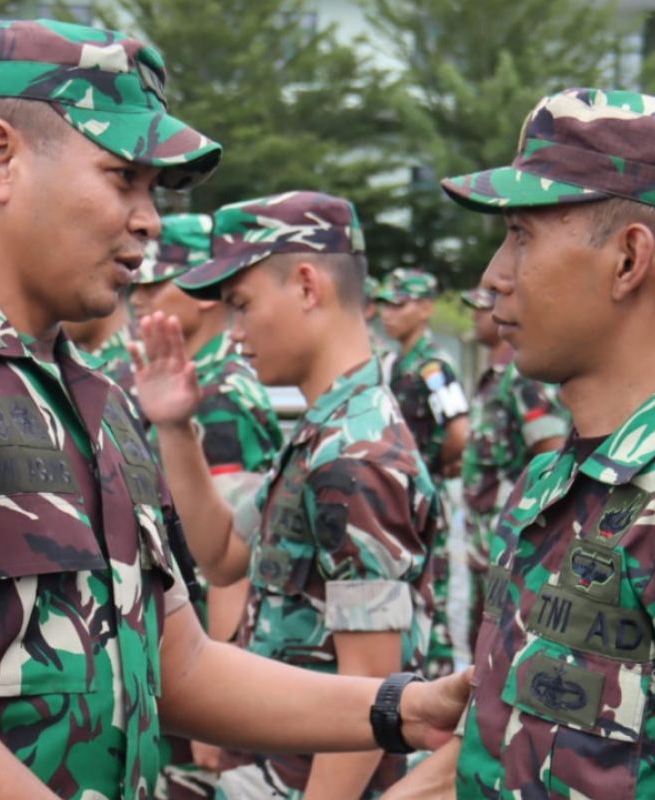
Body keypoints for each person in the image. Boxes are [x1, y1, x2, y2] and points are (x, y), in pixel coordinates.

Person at [0, 20, 468, 800]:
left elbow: (177, 666)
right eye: (123, 178)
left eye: (154, 189)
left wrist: (402, 708)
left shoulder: (99, 403)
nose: (150, 219)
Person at [386, 87, 655, 800]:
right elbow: (496, 746)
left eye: (522, 236)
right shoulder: (548, 486)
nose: (493, 276)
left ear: (628, 261)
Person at [132, 190, 444, 800]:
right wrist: (175, 428)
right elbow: (222, 553)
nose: (236, 330)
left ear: (306, 286)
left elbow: (375, 687)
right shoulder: (324, 431)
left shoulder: (357, 455)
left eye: (242, 305)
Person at [129, 212, 286, 798]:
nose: (139, 299)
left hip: (203, 647)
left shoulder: (219, 394)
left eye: (158, 285)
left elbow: (228, 566)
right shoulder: (200, 378)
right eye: (137, 286)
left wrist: (217, 703)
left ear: (202, 296)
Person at [458, 285, 566, 655]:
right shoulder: (493, 375)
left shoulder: (521, 377)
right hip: (485, 543)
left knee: (503, 650)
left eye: (483, 310)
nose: (475, 317)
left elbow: (551, 453)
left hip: (510, 547)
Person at [378, 267, 470, 678]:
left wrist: (433, 464)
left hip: (423, 497)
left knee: (431, 591)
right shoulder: (398, 363)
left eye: (399, 304)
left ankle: (436, 685)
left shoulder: (433, 366)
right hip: (401, 496)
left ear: (426, 308)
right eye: (384, 303)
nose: (387, 313)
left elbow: (459, 430)